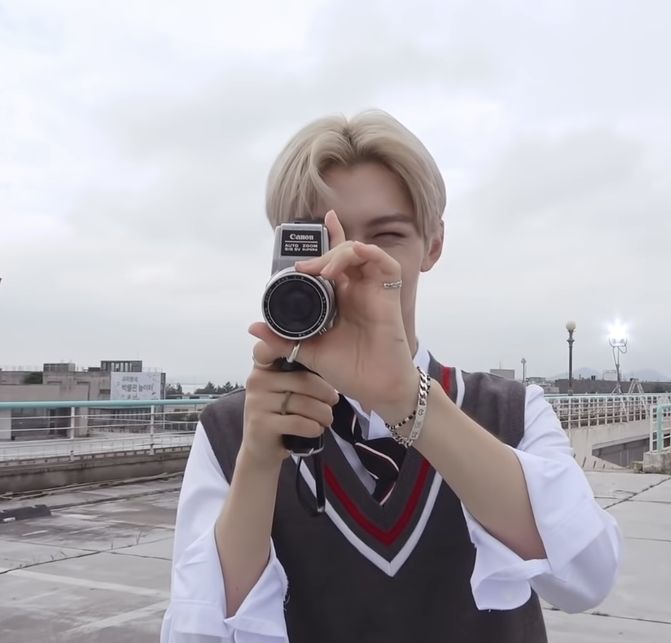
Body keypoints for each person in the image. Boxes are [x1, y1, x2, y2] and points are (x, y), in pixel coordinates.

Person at [160, 110, 622, 643]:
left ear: (433, 245)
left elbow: (586, 578)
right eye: (324, 239)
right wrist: (259, 465)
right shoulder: (231, 431)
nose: (352, 265)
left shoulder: (512, 412)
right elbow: (199, 634)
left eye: (387, 236)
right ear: (285, 248)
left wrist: (408, 398)